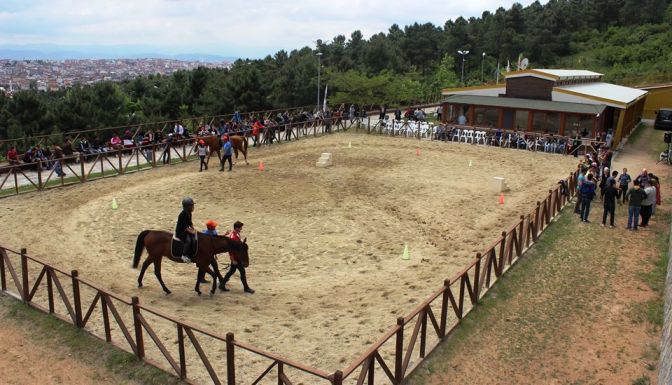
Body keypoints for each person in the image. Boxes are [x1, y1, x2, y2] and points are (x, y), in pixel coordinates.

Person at [220, 221, 254, 294]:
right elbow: (231, 249)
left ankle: (222, 284)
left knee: (232, 271)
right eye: (240, 227)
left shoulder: (236, 234)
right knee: (242, 271)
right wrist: (232, 260)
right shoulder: (233, 237)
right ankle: (246, 288)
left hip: (237, 256)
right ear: (237, 228)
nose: (241, 229)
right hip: (236, 258)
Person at [175, 197, 197, 263]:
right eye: (191, 205)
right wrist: (192, 232)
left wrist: (193, 228)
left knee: (194, 238)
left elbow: (190, 222)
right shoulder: (182, 215)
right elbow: (185, 227)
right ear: (187, 206)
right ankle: (184, 255)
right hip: (181, 232)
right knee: (188, 240)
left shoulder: (189, 213)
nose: (193, 207)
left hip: (186, 229)